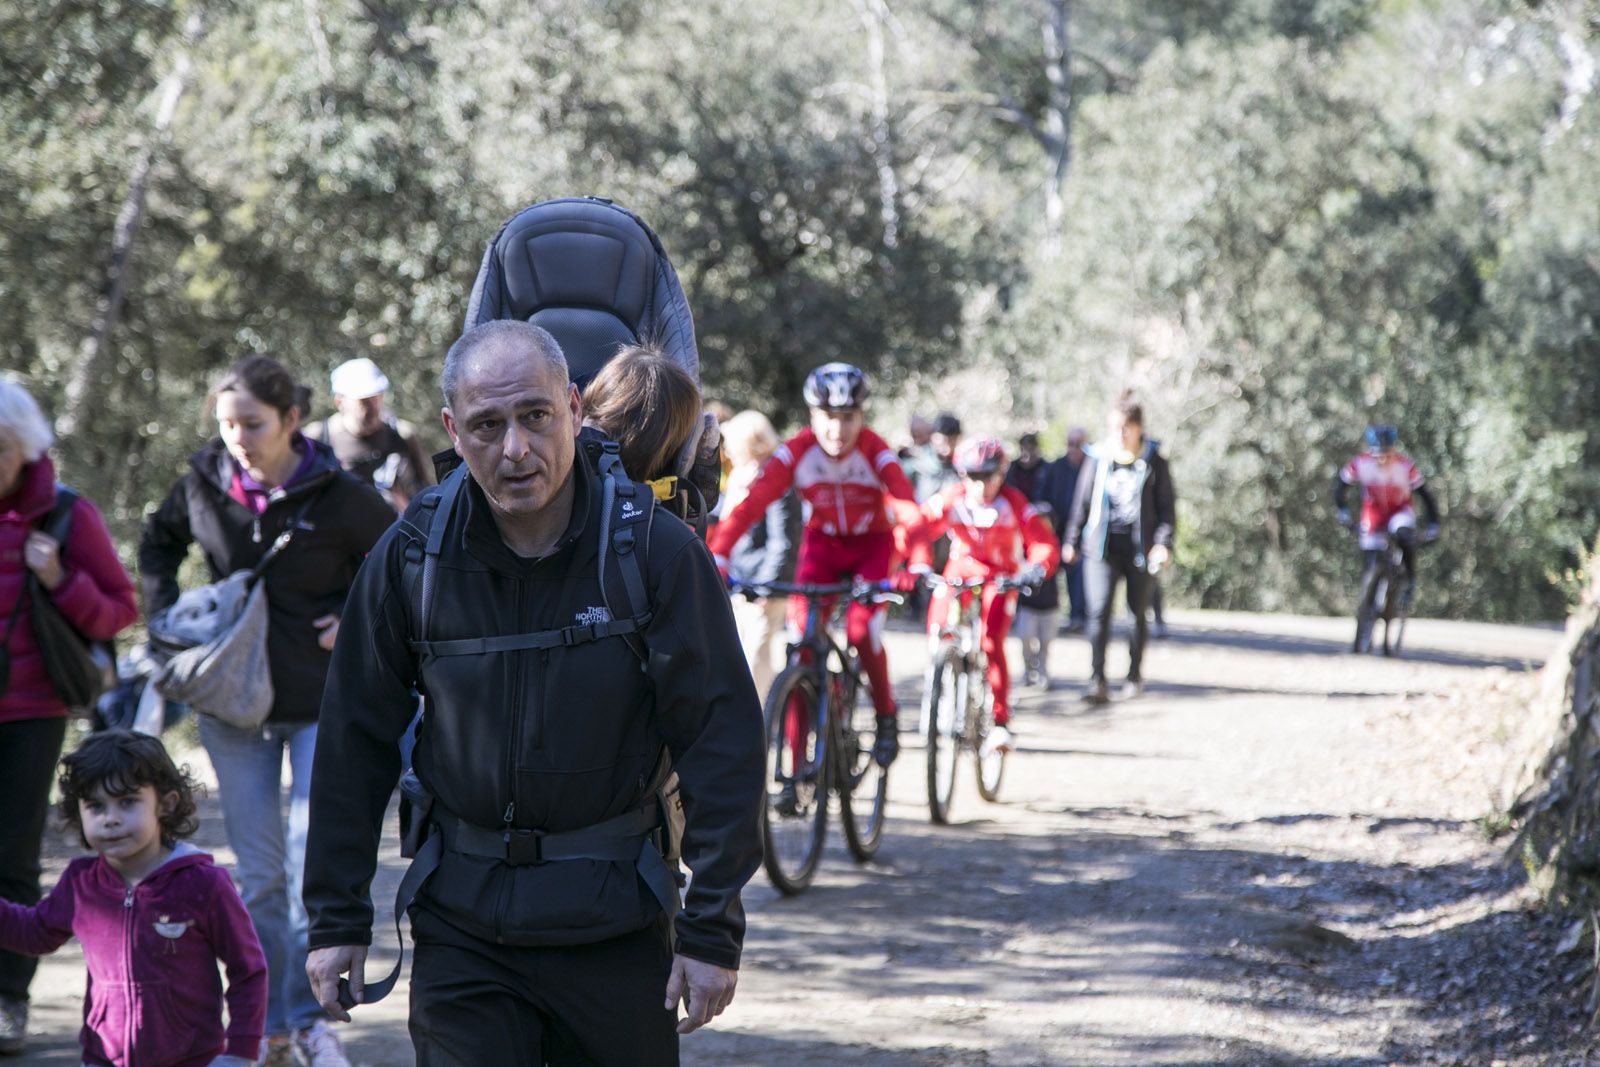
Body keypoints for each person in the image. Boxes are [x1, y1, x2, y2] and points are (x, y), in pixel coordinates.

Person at [302, 321, 764, 1067]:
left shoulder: (653, 551)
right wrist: (334, 916)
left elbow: (722, 741)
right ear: (454, 428)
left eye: (535, 416)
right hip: (462, 929)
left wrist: (713, 928)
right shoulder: (415, 554)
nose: (515, 448)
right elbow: (354, 732)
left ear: (574, 410)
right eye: (487, 425)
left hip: (616, 926)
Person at [139, 357, 395, 1067]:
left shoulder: (339, 493)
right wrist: (168, 617)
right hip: (235, 705)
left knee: (311, 864)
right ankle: (271, 1023)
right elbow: (158, 543)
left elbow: (401, 559)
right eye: (226, 424)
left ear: (290, 419)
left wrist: (355, 613)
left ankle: (309, 1019)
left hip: (323, 704)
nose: (238, 438)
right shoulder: (203, 480)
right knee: (261, 877)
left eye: (252, 423)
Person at [0, 378, 139, 1056]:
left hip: (31, 712)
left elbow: (118, 610)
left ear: (24, 449)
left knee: (11, 856)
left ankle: (8, 999)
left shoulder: (63, 514)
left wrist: (59, 578)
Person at [0, 729, 267, 1067]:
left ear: (165, 804)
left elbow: (249, 969)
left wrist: (240, 1052)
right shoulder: (82, 882)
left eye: (127, 801)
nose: (110, 818)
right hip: (102, 1058)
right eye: (95, 805)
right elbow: (33, 933)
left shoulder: (204, 883)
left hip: (193, 1059)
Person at [708, 362, 919, 765]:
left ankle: (886, 715)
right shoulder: (796, 451)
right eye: (828, 417)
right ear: (812, 415)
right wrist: (718, 552)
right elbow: (751, 504)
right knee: (801, 647)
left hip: (872, 548)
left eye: (848, 418)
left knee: (860, 630)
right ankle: (797, 758)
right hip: (821, 548)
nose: (837, 430)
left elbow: (908, 507)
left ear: (862, 415)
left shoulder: (876, 451)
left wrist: (917, 561)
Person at [906, 437, 1059, 754]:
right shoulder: (951, 498)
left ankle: (1001, 722)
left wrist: (1037, 567)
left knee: (991, 642)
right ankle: (937, 697)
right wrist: (912, 563)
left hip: (1000, 578)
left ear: (1001, 474)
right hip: (958, 574)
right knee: (938, 631)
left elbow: (1042, 540)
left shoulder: (1013, 503)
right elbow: (918, 525)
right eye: (972, 476)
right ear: (962, 475)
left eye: (988, 476)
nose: (980, 485)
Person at [1063, 395, 1176, 705]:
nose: (1119, 433)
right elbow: (1081, 503)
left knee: (1136, 614)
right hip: (1101, 547)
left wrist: (1162, 544)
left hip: (1140, 548)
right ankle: (1097, 680)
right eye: (1114, 427)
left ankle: (1134, 675)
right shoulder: (1098, 458)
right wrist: (1071, 541)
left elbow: (1167, 510)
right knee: (1097, 611)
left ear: (1139, 428)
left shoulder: (1154, 461)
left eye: (1125, 427)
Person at [718, 410, 802, 701]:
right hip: (741, 584)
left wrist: (770, 585)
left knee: (757, 656)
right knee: (740, 653)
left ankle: (760, 720)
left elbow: (784, 542)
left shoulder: (777, 482)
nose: (726, 450)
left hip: (765, 589)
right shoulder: (740, 478)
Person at [1334, 424, 1440, 644]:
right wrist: (1343, 512)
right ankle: (1367, 602)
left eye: (1387, 454)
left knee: (1404, 535)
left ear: (1393, 450)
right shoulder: (1360, 464)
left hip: (1399, 512)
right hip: (1373, 512)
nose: (1383, 459)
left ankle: (1409, 579)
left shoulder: (1405, 467)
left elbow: (1426, 497)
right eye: (1378, 455)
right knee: (1370, 555)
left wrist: (1433, 524)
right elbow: (1340, 487)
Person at [305, 357, 434, 512]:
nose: (373, 408)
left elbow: (428, 491)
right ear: (340, 402)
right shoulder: (318, 439)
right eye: (364, 401)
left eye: (376, 398)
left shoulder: (402, 436)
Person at [1004, 433, 1061, 687]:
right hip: (1026, 600)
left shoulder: (1047, 473)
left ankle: (1044, 671)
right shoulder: (1011, 474)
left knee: (1046, 639)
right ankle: (1029, 670)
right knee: (1025, 636)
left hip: (1049, 602)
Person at [1049, 427, 1089, 633]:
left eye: (1079, 444)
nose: (1074, 449)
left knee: (1078, 575)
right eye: (1070, 444)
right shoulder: (1056, 467)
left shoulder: (1091, 467)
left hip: (1081, 535)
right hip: (1055, 532)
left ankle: (1078, 617)